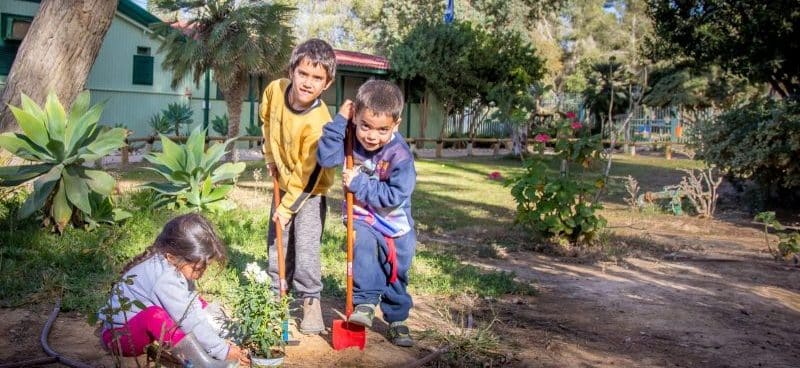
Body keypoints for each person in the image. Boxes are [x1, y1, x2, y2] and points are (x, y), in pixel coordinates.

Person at [317, 79, 417, 347]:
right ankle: (365, 304)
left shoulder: (400, 156)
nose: (372, 136)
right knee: (362, 251)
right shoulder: (351, 138)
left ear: (395, 125)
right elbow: (326, 158)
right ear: (356, 119)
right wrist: (340, 121)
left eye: (383, 129)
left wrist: (359, 183)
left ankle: (397, 320)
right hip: (362, 217)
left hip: (396, 224)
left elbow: (394, 196)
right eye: (365, 126)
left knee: (395, 272)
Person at [98, 213, 249, 367]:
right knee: (155, 316)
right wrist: (221, 350)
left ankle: (226, 332)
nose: (202, 272)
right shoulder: (164, 278)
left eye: (205, 266)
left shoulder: (173, 265)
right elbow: (188, 321)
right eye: (196, 267)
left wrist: (219, 338)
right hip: (119, 338)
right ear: (171, 257)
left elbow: (192, 306)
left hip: (133, 329)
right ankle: (202, 363)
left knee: (197, 302)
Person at [259, 38, 336, 334]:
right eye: (303, 73)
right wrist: (270, 156)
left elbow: (310, 175)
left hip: (310, 191)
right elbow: (266, 119)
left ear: (326, 84)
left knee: (305, 247)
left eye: (317, 78)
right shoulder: (275, 90)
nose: (307, 83)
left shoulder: (320, 124)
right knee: (277, 238)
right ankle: (276, 290)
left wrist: (288, 207)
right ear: (291, 70)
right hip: (285, 177)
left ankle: (310, 299)